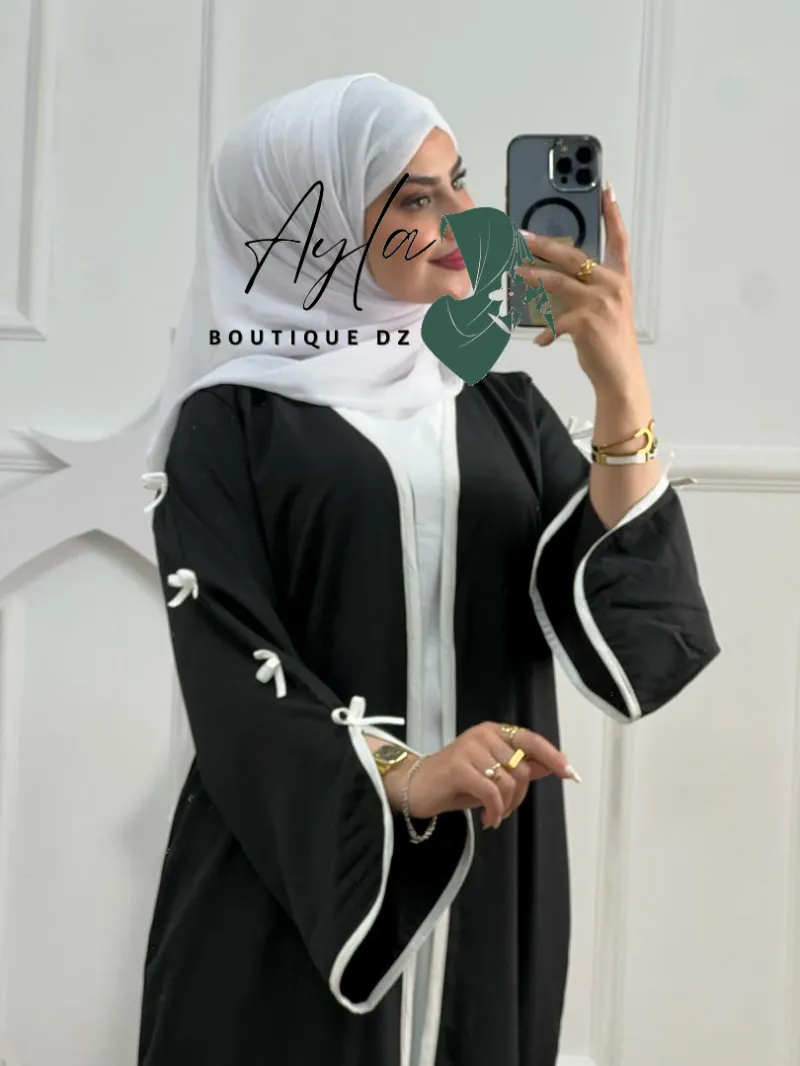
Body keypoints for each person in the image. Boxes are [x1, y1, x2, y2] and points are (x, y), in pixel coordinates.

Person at [136, 73, 720, 1066]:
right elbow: (227, 656)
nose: (463, 215)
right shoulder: (230, 423)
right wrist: (402, 775)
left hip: (492, 858)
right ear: (309, 225)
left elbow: (626, 623)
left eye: (459, 180)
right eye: (415, 196)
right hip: (302, 864)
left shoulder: (499, 407)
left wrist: (620, 381)